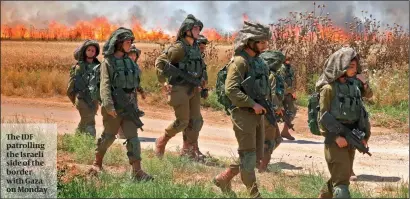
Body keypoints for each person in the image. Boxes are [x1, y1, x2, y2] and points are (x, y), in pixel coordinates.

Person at [213, 21, 272, 198]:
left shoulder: (258, 62)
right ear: (250, 42)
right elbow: (230, 89)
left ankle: (223, 178)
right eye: (261, 42)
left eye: (265, 41)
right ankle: (254, 194)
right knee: (248, 155)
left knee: (252, 155)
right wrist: (252, 104)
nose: (265, 45)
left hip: (258, 113)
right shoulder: (239, 61)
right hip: (243, 113)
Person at [89, 27, 153, 181]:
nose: (130, 44)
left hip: (129, 107)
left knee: (133, 138)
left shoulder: (129, 62)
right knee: (109, 136)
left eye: (131, 41)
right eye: (127, 41)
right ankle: (97, 163)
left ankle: (137, 172)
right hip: (114, 107)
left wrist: (140, 94)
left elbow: (133, 83)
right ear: (118, 43)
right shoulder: (108, 62)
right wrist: (109, 106)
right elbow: (104, 85)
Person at [316, 46, 372, 198]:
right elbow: (322, 118)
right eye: (351, 66)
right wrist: (336, 137)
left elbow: (363, 108)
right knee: (342, 184)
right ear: (341, 67)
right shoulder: (328, 89)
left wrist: (364, 136)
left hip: (351, 137)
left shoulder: (354, 86)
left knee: (343, 174)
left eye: (356, 66)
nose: (355, 69)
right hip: (336, 139)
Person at [154, 14, 208, 161]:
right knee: (182, 121)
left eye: (198, 28)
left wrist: (202, 80)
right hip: (180, 88)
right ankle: (162, 141)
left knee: (196, 121)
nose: (198, 30)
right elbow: (160, 62)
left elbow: (201, 66)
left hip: (194, 88)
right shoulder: (178, 48)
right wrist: (164, 82)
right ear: (187, 30)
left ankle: (188, 151)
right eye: (195, 28)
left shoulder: (195, 47)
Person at [257, 50, 286, 173]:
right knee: (269, 141)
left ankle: (259, 162)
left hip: (264, 112)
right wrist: (277, 108)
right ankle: (262, 167)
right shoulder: (272, 76)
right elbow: (272, 95)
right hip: (268, 113)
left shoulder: (264, 74)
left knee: (276, 139)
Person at [66, 39, 101, 137]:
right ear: (85, 51)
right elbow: (71, 85)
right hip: (81, 97)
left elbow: (101, 83)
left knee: (87, 119)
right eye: (89, 50)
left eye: (93, 50)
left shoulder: (99, 67)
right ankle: (91, 143)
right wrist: (74, 100)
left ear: (96, 52)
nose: (91, 52)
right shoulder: (78, 67)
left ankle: (77, 137)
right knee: (90, 120)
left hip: (93, 99)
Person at [117, 44, 145, 140]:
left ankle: (130, 132)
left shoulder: (136, 68)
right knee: (122, 113)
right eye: (130, 54)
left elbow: (136, 82)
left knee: (132, 113)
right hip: (122, 94)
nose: (133, 57)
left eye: (134, 55)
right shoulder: (121, 66)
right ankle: (120, 133)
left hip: (133, 95)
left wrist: (141, 91)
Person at [278, 56, 297, 140]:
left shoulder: (289, 68)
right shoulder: (281, 68)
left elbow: (292, 81)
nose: (289, 60)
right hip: (280, 93)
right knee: (277, 112)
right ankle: (273, 134)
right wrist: (291, 91)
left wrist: (293, 91)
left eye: (289, 58)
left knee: (291, 111)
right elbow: (282, 82)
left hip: (288, 94)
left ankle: (285, 132)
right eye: (287, 58)